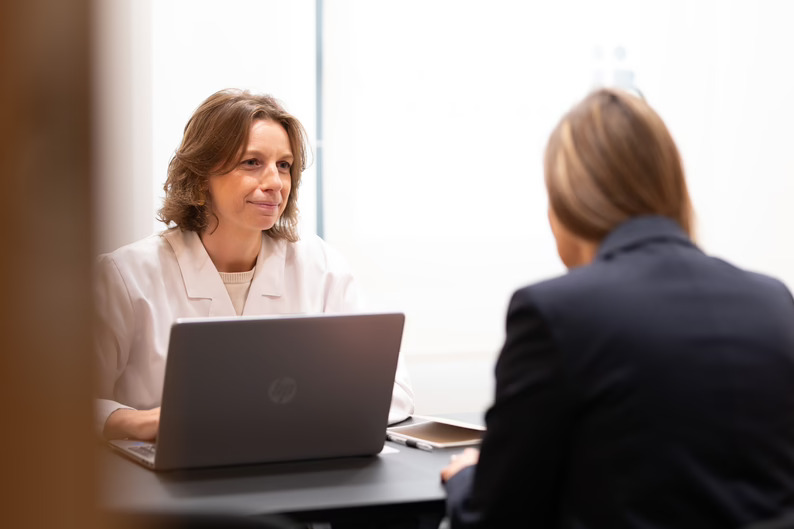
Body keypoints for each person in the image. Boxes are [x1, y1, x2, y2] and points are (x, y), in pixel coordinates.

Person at [441, 88, 794, 528]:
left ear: (567, 202)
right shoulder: (774, 302)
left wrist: (466, 479)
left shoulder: (555, 313)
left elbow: (493, 517)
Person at [95, 88, 414, 441]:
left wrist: (300, 414)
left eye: (284, 165)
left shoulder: (320, 266)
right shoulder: (126, 275)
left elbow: (394, 390)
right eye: (252, 163)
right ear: (201, 176)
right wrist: (137, 423)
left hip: (293, 462)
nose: (275, 183)